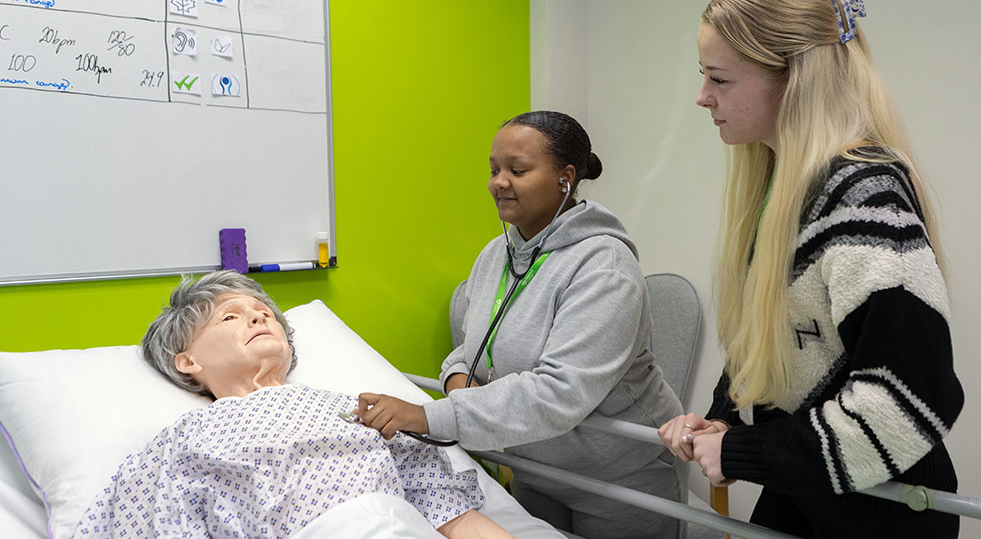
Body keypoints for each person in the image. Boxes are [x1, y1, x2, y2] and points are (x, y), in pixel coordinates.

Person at [658, 0, 964, 538]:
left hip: (881, 512)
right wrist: (722, 419)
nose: (703, 97)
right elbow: (785, 339)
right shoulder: (785, 187)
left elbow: (908, 403)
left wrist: (743, 451)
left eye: (719, 79)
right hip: (809, 495)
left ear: (793, 80)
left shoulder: (863, 197)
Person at [356, 110, 686, 539]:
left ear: (565, 178)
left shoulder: (604, 266)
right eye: (494, 169)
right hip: (536, 465)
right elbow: (472, 347)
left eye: (517, 169)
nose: (499, 182)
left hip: (618, 474)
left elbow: (558, 393)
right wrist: (459, 378)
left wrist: (429, 415)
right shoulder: (497, 254)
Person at [72, 270, 512, 539]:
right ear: (188, 360)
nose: (260, 316)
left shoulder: (360, 409)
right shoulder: (183, 441)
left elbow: (448, 511)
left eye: (265, 314)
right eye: (230, 317)